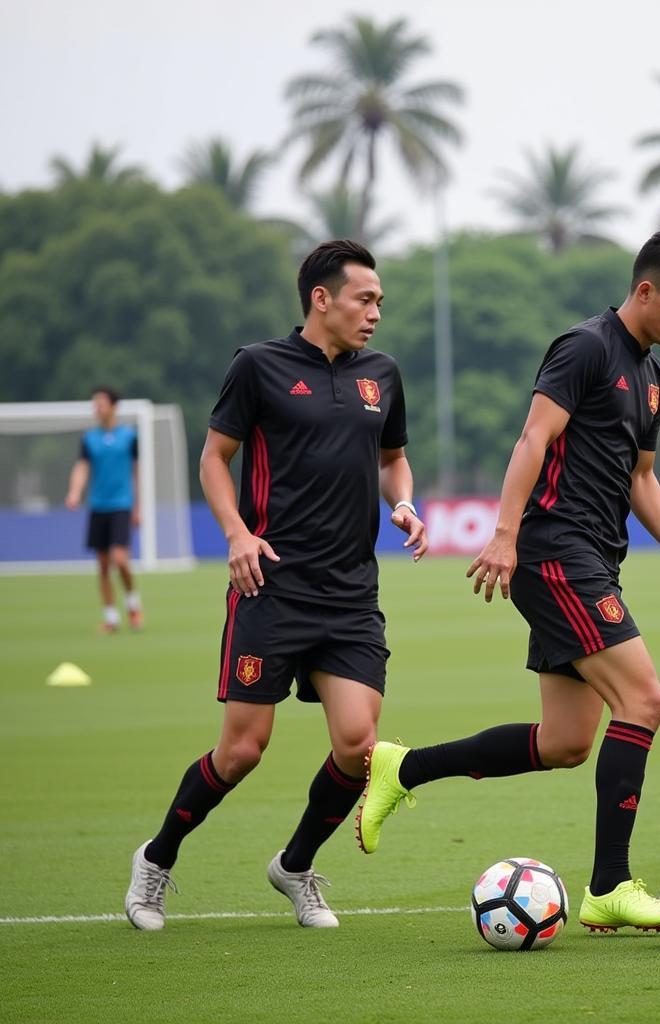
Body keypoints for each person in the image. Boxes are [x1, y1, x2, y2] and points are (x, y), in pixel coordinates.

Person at [356, 228, 660, 933]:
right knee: (644, 699)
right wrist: (504, 533)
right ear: (645, 290)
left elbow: (640, 477)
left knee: (565, 742)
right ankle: (609, 886)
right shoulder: (585, 347)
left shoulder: (655, 377)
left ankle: (402, 769)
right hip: (555, 551)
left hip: (594, 556)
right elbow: (534, 438)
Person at [124, 239, 428, 931]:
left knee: (359, 746)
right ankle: (158, 859)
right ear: (322, 298)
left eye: (379, 300)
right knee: (242, 750)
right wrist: (236, 534)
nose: (376, 312)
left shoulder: (383, 372)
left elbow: (395, 459)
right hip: (272, 587)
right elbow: (213, 459)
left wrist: (403, 501)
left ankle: (295, 867)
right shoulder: (257, 366)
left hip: (351, 594)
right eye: (365, 299)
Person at [65, 387, 144, 633]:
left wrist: (138, 506)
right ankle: (111, 618)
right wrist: (75, 491)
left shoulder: (129, 437)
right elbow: (82, 467)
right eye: (94, 404)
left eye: (100, 403)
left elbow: (136, 472)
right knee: (102, 564)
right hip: (98, 506)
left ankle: (132, 602)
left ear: (114, 406)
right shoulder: (89, 439)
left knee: (120, 560)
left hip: (121, 505)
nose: (96, 408)